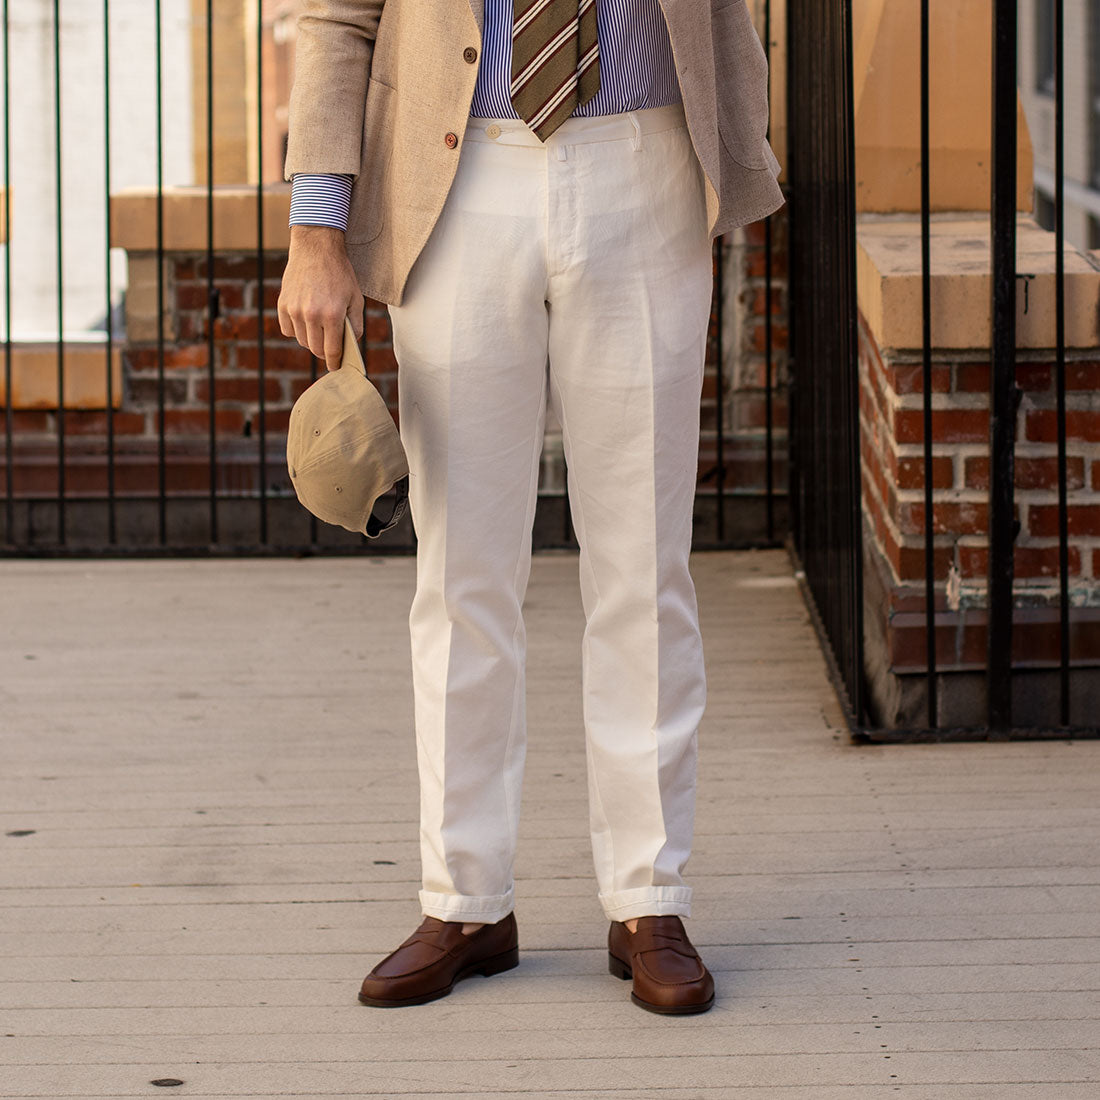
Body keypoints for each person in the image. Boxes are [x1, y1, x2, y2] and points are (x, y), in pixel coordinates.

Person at [277, 0, 783, 1015]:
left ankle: (647, 895)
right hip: (451, 176)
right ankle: (462, 899)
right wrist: (314, 226)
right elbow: (337, 18)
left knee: (644, 566)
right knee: (461, 572)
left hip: (646, 158)